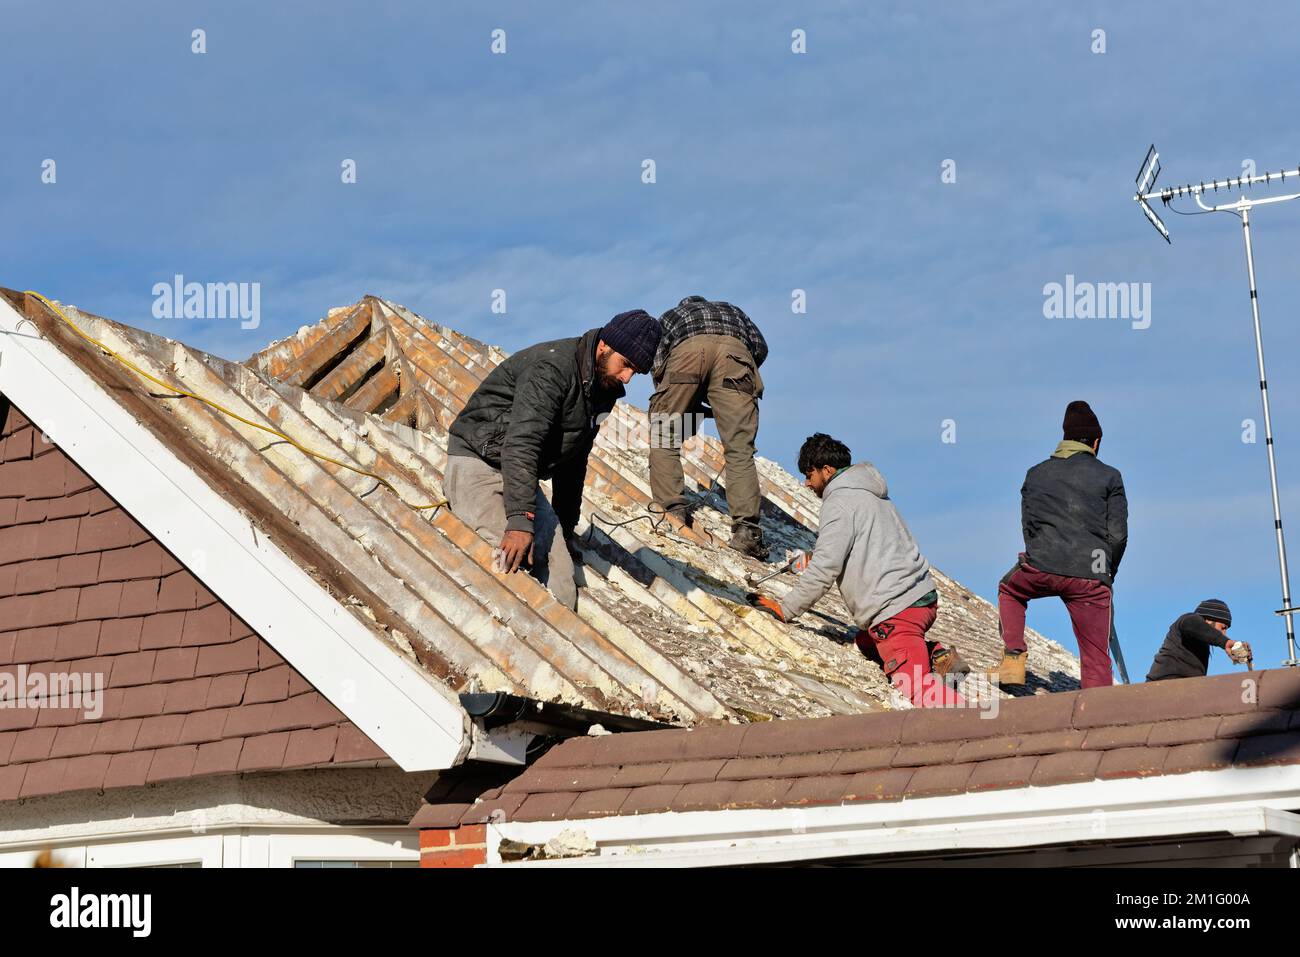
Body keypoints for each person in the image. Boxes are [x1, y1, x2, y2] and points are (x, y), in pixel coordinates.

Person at [444, 310, 661, 609]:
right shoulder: (553, 368)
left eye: (635, 372)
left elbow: (574, 462)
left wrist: (565, 528)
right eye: (626, 365)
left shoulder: (603, 391)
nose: (627, 377)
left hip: (520, 476)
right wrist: (519, 521)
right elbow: (522, 442)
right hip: (478, 460)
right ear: (604, 346)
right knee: (506, 560)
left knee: (560, 571)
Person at [748, 433, 966, 707]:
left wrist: (786, 609)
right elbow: (867, 543)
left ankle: (974, 724)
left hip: (896, 611)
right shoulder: (870, 493)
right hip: (921, 599)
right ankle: (934, 653)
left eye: (809, 474)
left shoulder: (838, 502)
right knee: (865, 642)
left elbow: (827, 566)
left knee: (916, 689)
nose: (807, 483)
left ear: (826, 471)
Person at [993, 400, 1128, 689]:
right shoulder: (1109, 476)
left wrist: (1038, 554)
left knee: (1010, 590)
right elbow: (1117, 536)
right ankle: (1099, 716)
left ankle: (1014, 656)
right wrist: (1106, 573)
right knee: (1095, 657)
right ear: (1096, 441)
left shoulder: (1036, 473)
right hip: (1091, 575)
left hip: (1042, 565)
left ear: (1065, 438)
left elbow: (1028, 524)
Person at [647, 295, 770, 559]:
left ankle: (671, 510)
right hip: (736, 357)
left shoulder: (672, 315)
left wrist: (681, 397)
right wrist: (728, 387)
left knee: (663, 434)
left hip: (686, 355)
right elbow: (759, 349)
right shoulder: (733, 310)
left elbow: (656, 363)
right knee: (739, 448)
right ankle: (747, 532)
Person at [1147, 599, 1252, 680]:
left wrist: (1245, 657)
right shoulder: (1188, 620)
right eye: (1223, 627)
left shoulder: (1203, 644)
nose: (1224, 634)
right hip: (1162, 686)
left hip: (1185, 692)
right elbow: (1193, 624)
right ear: (1208, 620)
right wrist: (1225, 642)